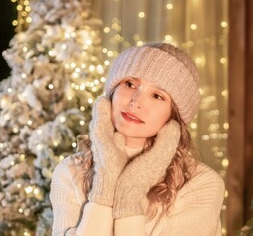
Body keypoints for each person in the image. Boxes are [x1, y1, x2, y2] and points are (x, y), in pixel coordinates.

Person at [50, 43, 225, 236]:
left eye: (157, 96)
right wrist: (105, 181)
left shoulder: (201, 184)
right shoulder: (70, 171)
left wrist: (131, 191)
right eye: (130, 84)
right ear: (112, 92)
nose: (136, 101)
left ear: (174, 117)